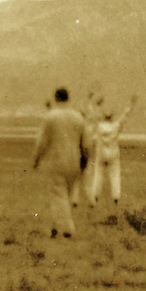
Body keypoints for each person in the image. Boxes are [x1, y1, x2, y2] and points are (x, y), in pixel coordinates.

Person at [32, 88, 94, 238]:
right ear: (68, 98)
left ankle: (67, 228)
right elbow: (86, 143)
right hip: (74, 162)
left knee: (58, 195)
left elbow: (42, 142)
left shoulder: (51, 117)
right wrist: (85, 161)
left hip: (56, 161)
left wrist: (36, 159)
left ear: (55, 98)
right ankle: (54, 226)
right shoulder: (78, 117)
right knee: (63, 196)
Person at [87, 93, 138, 213]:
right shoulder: (115, 126)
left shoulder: (99, 126)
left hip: (101, 153)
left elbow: (93, 114)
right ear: (111, 117)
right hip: (113, 153)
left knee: (98, 174)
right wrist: (131, 104)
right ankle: (116, 197)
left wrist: (90, 101)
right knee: (115, 174)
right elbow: (125, 115)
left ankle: (95, 196)